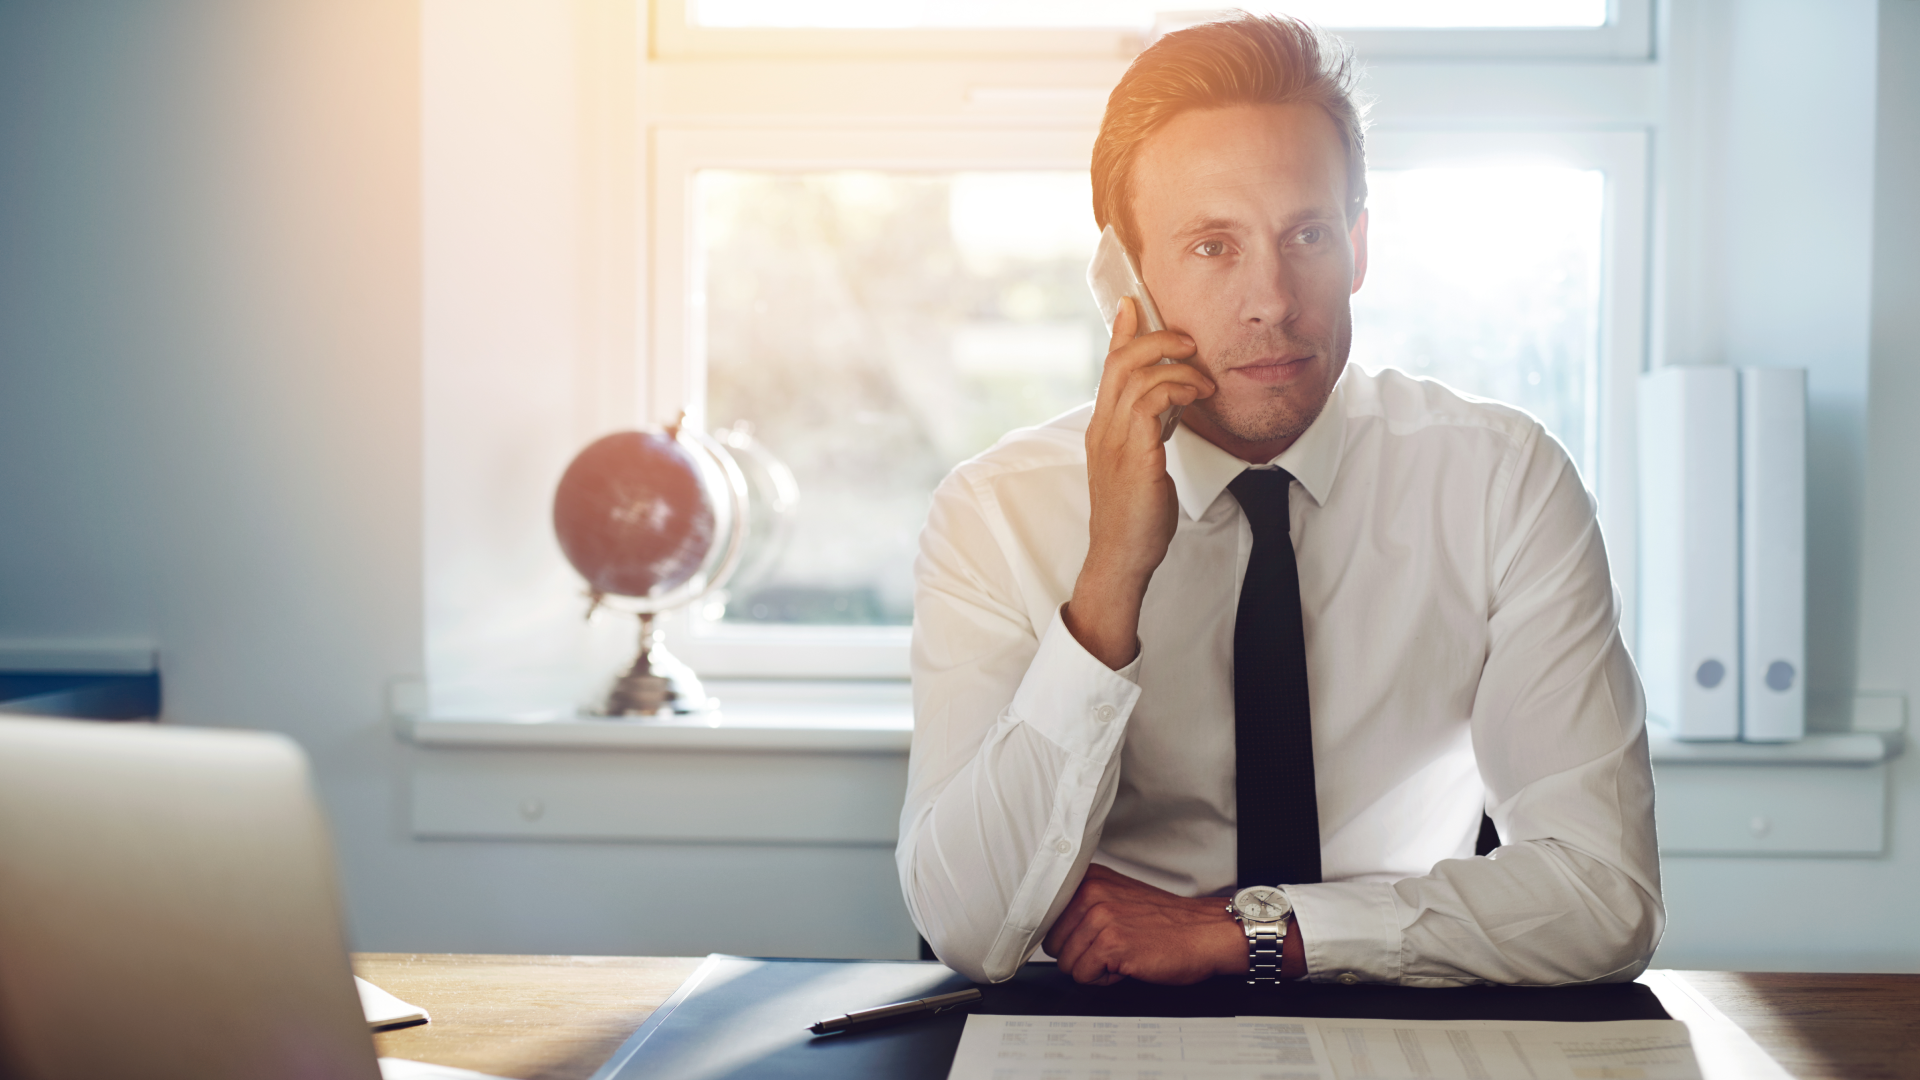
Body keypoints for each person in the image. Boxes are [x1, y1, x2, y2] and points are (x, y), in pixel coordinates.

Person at [895, 13, 1661, 989]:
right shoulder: (994, 513)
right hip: (1099, 1025)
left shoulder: (1501, 480)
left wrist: (1254, 930)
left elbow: (1607, 896)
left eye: (1307, 234)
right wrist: (1110, 580)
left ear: (1360, 246)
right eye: (1212, 247)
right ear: (1123, 279)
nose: (1273, 301)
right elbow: (969, 927)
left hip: (1397, 1004)